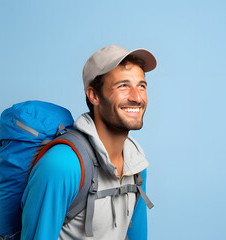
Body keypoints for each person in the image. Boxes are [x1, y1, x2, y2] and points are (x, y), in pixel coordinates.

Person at [21, 45, 157, 240]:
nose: (137, 97)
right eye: (123, 85)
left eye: (141, 85)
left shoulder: (136, 164)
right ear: (94, 95)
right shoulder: (63, 164)